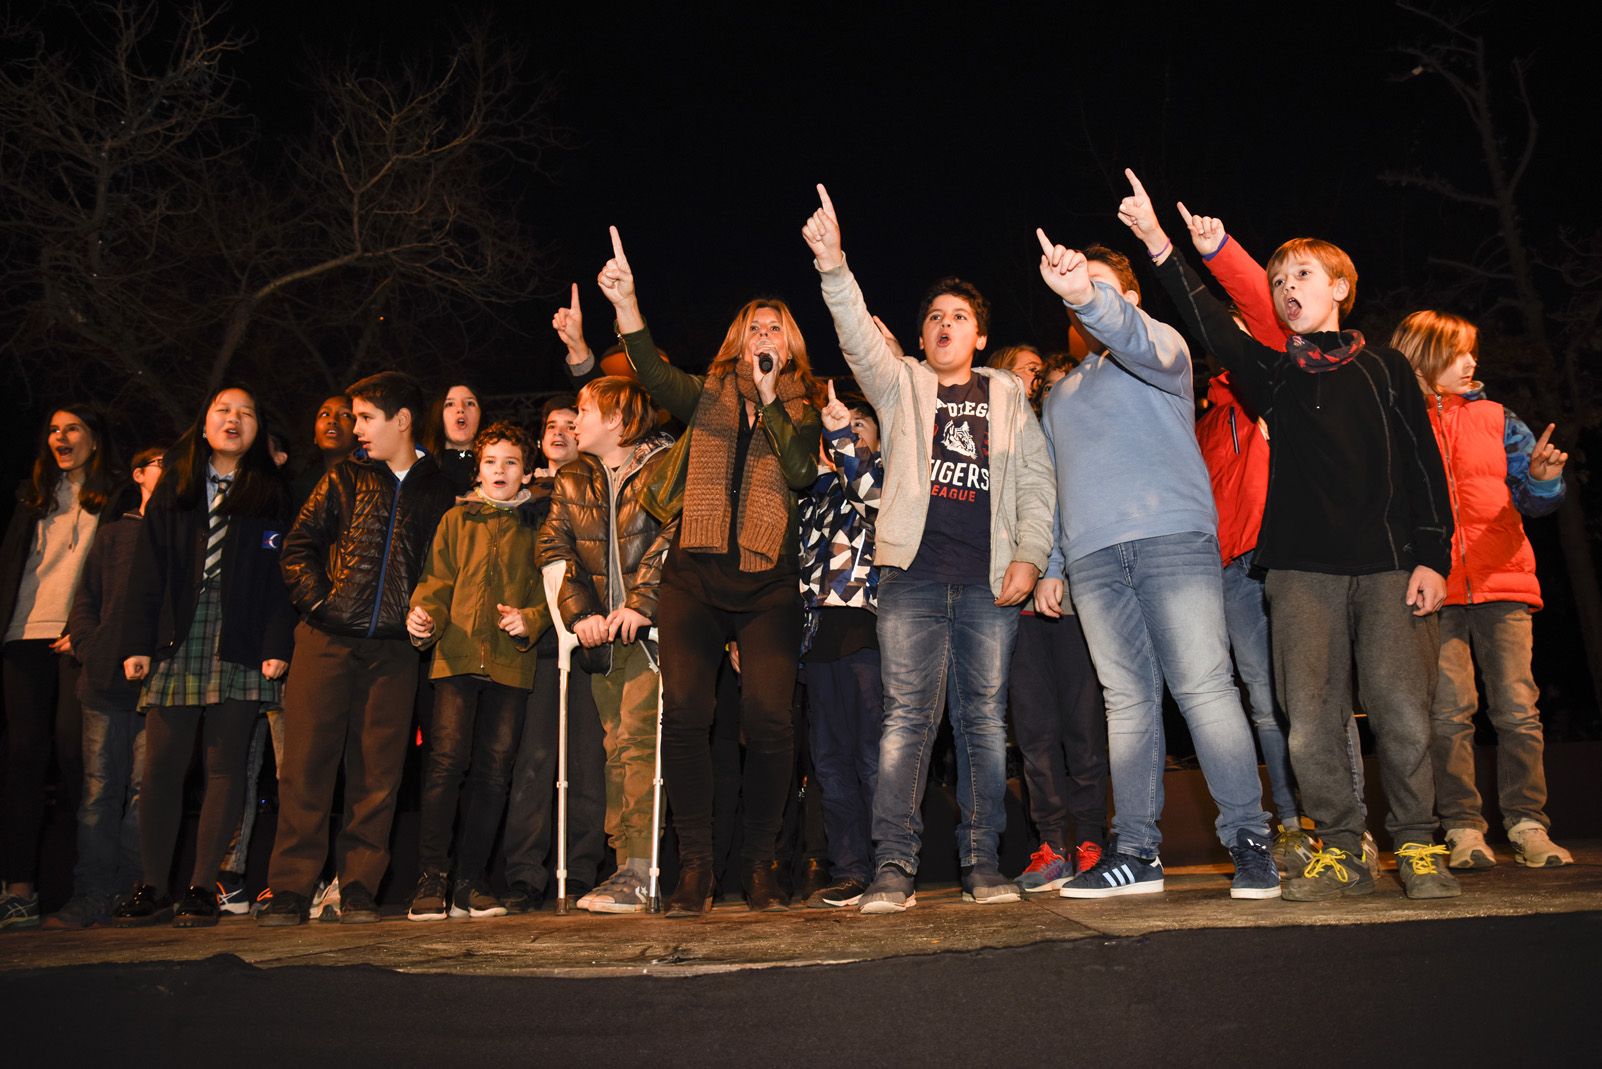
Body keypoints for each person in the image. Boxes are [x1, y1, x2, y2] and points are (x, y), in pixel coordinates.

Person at [1136, 171, 1461, 901]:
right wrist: (1159, 245)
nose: (1287, 287)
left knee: (1404, 711)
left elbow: (1423, 466)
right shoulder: (1274, 375)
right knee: (1308, 719)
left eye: (1303, 275)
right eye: (1278, 279)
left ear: (1340, 286)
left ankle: (1417, 845)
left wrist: (1432, 557)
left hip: (1387, 568)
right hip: (1301, 574)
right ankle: (1341, 848)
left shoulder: (1386, 370)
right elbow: (1213, 325)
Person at [803, 185, 1056, 913]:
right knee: (906, 721)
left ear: (980, 336)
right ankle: (893, 868)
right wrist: (834, 266)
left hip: (986, 582)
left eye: (960, 317)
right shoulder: (903, 385)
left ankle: (981, 862)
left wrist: (1030, 556)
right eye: (935, 318)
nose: (946, 325)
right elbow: (856, 337)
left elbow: (1036, 484)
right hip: (911, 578)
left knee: (982, 720)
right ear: (921, 339)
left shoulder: (1008, 393)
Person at [1031, 226, 1277, 901]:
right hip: (1094, 558)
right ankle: (1136, 850)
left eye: (1103, 294)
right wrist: (1053, 562)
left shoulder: (1162, 352)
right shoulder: (1059, 397)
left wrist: (1089, 292)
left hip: (1171, 537)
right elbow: (1057, 484)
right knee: (1128, 703)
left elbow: (1129, 333)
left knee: (1203, 687)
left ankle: (1251, 841)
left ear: (1131, 300)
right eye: (1078, 300)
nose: (1087, 308)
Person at [596, 226, 822, 916]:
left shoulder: (804, 408)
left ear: (789, 347)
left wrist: (773, 396)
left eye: (776, 330)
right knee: (688, 715)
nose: (765, 336)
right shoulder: (706, 395)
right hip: (693, 577)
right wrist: (628, 305)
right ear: (737, 337)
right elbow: (653, 373)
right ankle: (694, 866)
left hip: (766, 585)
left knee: (770, 721)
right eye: (756, 327)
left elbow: (802, 472)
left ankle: (759, 864)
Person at [1183, 220, 1374, 872]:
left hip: (1290, 559)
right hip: (1234, 572)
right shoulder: (1206, 423)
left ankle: (1348, 827)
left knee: (1316, 697)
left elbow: (1261, 302)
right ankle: (1292, 823)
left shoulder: (1286, 375)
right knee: (1265, 706)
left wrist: (1214, 250)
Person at [260, 370, 456, 926]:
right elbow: (297, 548)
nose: (356, 427)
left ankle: (360, 888)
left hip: (394, 653)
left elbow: (443, 571)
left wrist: (424, 616)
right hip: (324, 643)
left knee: (379, 773)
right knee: (305, 767)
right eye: (354, 416)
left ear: (402, 421)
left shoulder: (439, 489)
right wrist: (321, 604)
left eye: (366, 417)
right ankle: (292, 888)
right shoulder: (343, 478)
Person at [1391, 310, 1574, 869]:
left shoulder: (1498, 418)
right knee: (1449, 715)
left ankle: (1527, 824)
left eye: (1472, 351)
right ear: (1422, 355)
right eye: (1457, 352)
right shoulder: (1394, 420)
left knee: (1518, 710)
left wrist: (1543, 477)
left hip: (1503, 582)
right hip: (1434, 590)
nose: (1471, 362)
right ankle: (1464, 827)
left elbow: (1535, 500)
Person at [112, 386, 297, 927]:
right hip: (179, 631)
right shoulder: (177, 484)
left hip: (240, 634)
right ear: (205, 421)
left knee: (225, 766)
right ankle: (151, 885)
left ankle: (199, 887)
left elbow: (279, 580)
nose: (234, 419)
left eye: (246, 412)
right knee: (163, 765)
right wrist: (136, 644)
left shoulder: (274, 492)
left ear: (259, 428)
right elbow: (147, 569)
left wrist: (274, 647)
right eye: (223, 410)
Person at [537, 375, 677, 913]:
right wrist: (582, 617)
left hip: (649, 637)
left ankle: (642, 869)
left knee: (641, 745)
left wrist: (641, 606)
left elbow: (674, 537)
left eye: (585, 409)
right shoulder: (572, 478)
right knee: (615, 748)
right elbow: (555, 547)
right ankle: (624, 868)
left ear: (617, 420)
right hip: (601, 638)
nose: (575, 419)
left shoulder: (664, 467)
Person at [406, 421, 551, 920]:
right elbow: (436, 582)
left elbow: (549, 589)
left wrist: (529, 619)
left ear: (527, 471)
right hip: (457, 660)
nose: (500, 471)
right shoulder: (456, 520)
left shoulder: (539, 522)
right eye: (491, 461)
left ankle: (471, 882)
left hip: (511, 666)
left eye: (511, 462)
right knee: (446, 765)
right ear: (478, 467)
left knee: (495, 773)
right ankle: (431, 877)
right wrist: (425, 616)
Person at [1, 404, 124, 929]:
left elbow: (115, 571)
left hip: (79, 639)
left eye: (72, 428)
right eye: (52, 429)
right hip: (23, 637)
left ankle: (89, 887)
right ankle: (18, 888)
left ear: (94, 439)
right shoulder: (30, 498)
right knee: (23, 758)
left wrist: (88, 629)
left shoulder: (114, 495)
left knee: (78, 758)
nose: (61, 436)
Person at [42, 447, 164, 929]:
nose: (170, 470)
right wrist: (92, 647)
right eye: (159, 462)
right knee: (98, 792)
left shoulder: (181, 537)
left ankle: (135, 890)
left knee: (144, 791)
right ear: (137, 473)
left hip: (157, 687)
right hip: (103, 684)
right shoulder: (114, 534)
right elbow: (85, 597)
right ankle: (91, 892)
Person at [500, 393, 608, 911]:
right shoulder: (522, 501)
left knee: (588, 762)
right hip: (536, 649)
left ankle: (581, 871)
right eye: (552, 426)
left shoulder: (602, 488)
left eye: (572, 423)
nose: (562, 432)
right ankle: (525, 874)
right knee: (534, 762)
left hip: (586, 638)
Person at [796, 382, 885, 908]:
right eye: (837, 429)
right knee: (830, 764)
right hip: (818, 641)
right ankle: (850, 868)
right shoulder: (813, 493)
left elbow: (870, 493)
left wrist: (847, 444)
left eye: (858, 427)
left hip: (869, 634)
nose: (845, 435)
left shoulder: (884, 481)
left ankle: (890, 863)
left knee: (874, 758)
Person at [290, 394, 357, 506]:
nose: (332, 420)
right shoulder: (300, 489)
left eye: (346, 415)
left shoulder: (373, 484)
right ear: (315, 436)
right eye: (325, 414)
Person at [423, 383, 485, 495]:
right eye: (450, 404)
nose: (461, 409)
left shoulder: (496, 469)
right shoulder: (420, 468)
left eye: (470, 403)